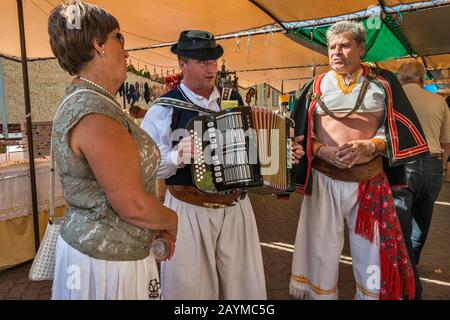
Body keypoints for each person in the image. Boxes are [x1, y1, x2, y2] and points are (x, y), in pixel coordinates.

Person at [141, 29, 304, 299]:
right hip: (189, 210)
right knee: (191, 290)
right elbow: (146, 166)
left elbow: (256, 153)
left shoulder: (235, 101)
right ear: (182, 65)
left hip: (236, 208)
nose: (211, 68)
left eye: (213, 61)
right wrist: (175, 156)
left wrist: (285, 153)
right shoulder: (164, 108)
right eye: (203, 62)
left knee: (243, 289)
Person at [289, 21, 429, 300]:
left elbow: (399, 130)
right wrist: (321, 151)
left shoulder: (385, 83)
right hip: (323, 180)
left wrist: (372, 145)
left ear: (361, 48)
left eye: (344, 45)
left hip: (369, 182)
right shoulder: (315, 85)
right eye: (331, 47)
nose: (336, 52)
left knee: (372, 252)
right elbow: (299, 133)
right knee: (321, 248)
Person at [48, 1, 177, 300]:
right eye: (119, 38)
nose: (126, 50)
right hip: (107, 265)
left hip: (103, 255)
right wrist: (171, 220)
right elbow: (131, 204)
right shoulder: (95, 113)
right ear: (99, 44)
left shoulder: (90, 100)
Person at [395, 61, 450, 266]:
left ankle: (403, 266)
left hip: (402, 163)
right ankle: (412, 263)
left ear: (400, 78)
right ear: (421, 78)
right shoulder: (438, 101)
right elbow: (447, 141)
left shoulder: (392, 99)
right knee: (422, 218)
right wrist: (441, 164)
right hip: (432, 162)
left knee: (400, 219)